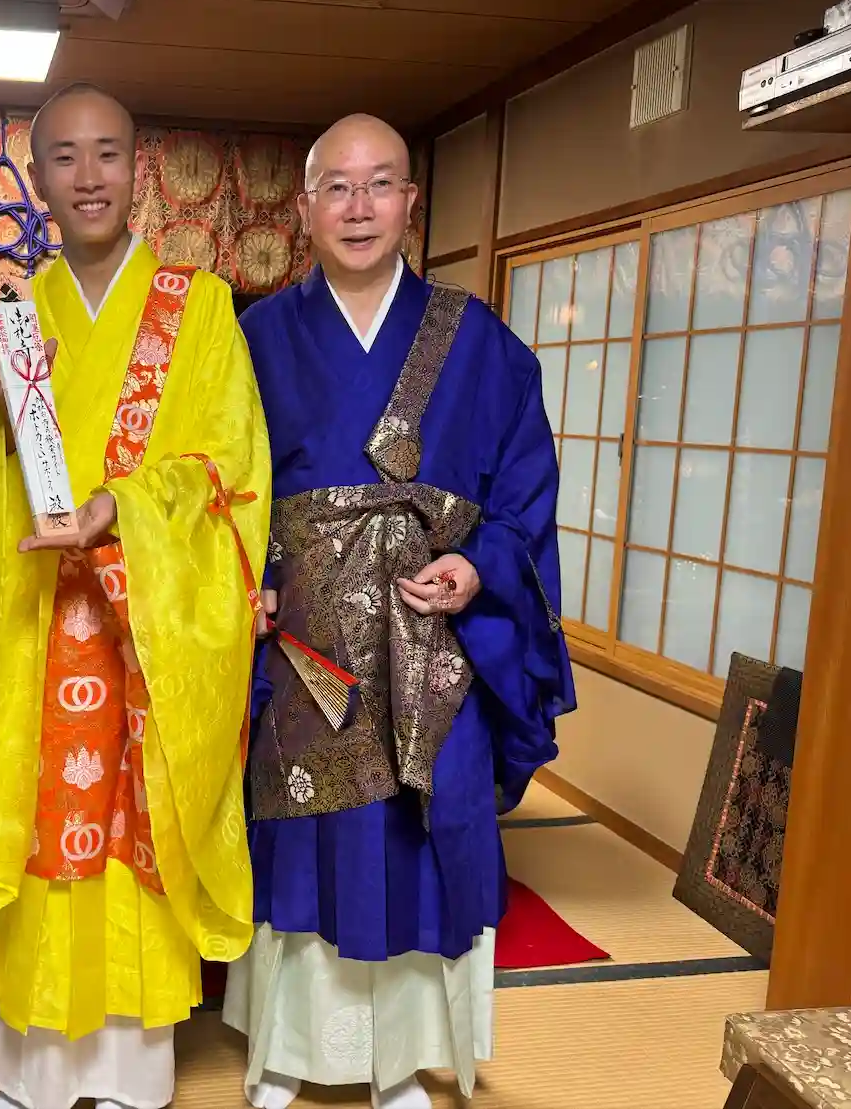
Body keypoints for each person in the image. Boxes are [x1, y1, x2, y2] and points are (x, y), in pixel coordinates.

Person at [0, 83, 270, 1109]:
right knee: (38, 830)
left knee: (134, 834)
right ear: (37, 181)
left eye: (107, 153)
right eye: (64, 157)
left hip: (144, 627)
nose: (88, 176)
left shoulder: (199, 307)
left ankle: (127, 1073)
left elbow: (231, 465)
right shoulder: (2, 318)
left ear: (136, 168)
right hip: (29, 624)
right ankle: (29, 1069)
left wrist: (121, 509)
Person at [222, 114, 576, 1109]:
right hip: (307, 645)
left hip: (434, 644)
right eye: (337, 186)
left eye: (380, 184)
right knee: (303, 838)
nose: (359, 207)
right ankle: (292, 1050)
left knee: (424, 841)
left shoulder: (480, 342)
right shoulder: (256, 340)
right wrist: (241, 580)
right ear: (304, 207)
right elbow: (216, 484)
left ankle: (402, 1061)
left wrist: (477, 566)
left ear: (412, 202)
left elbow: (525, 491)